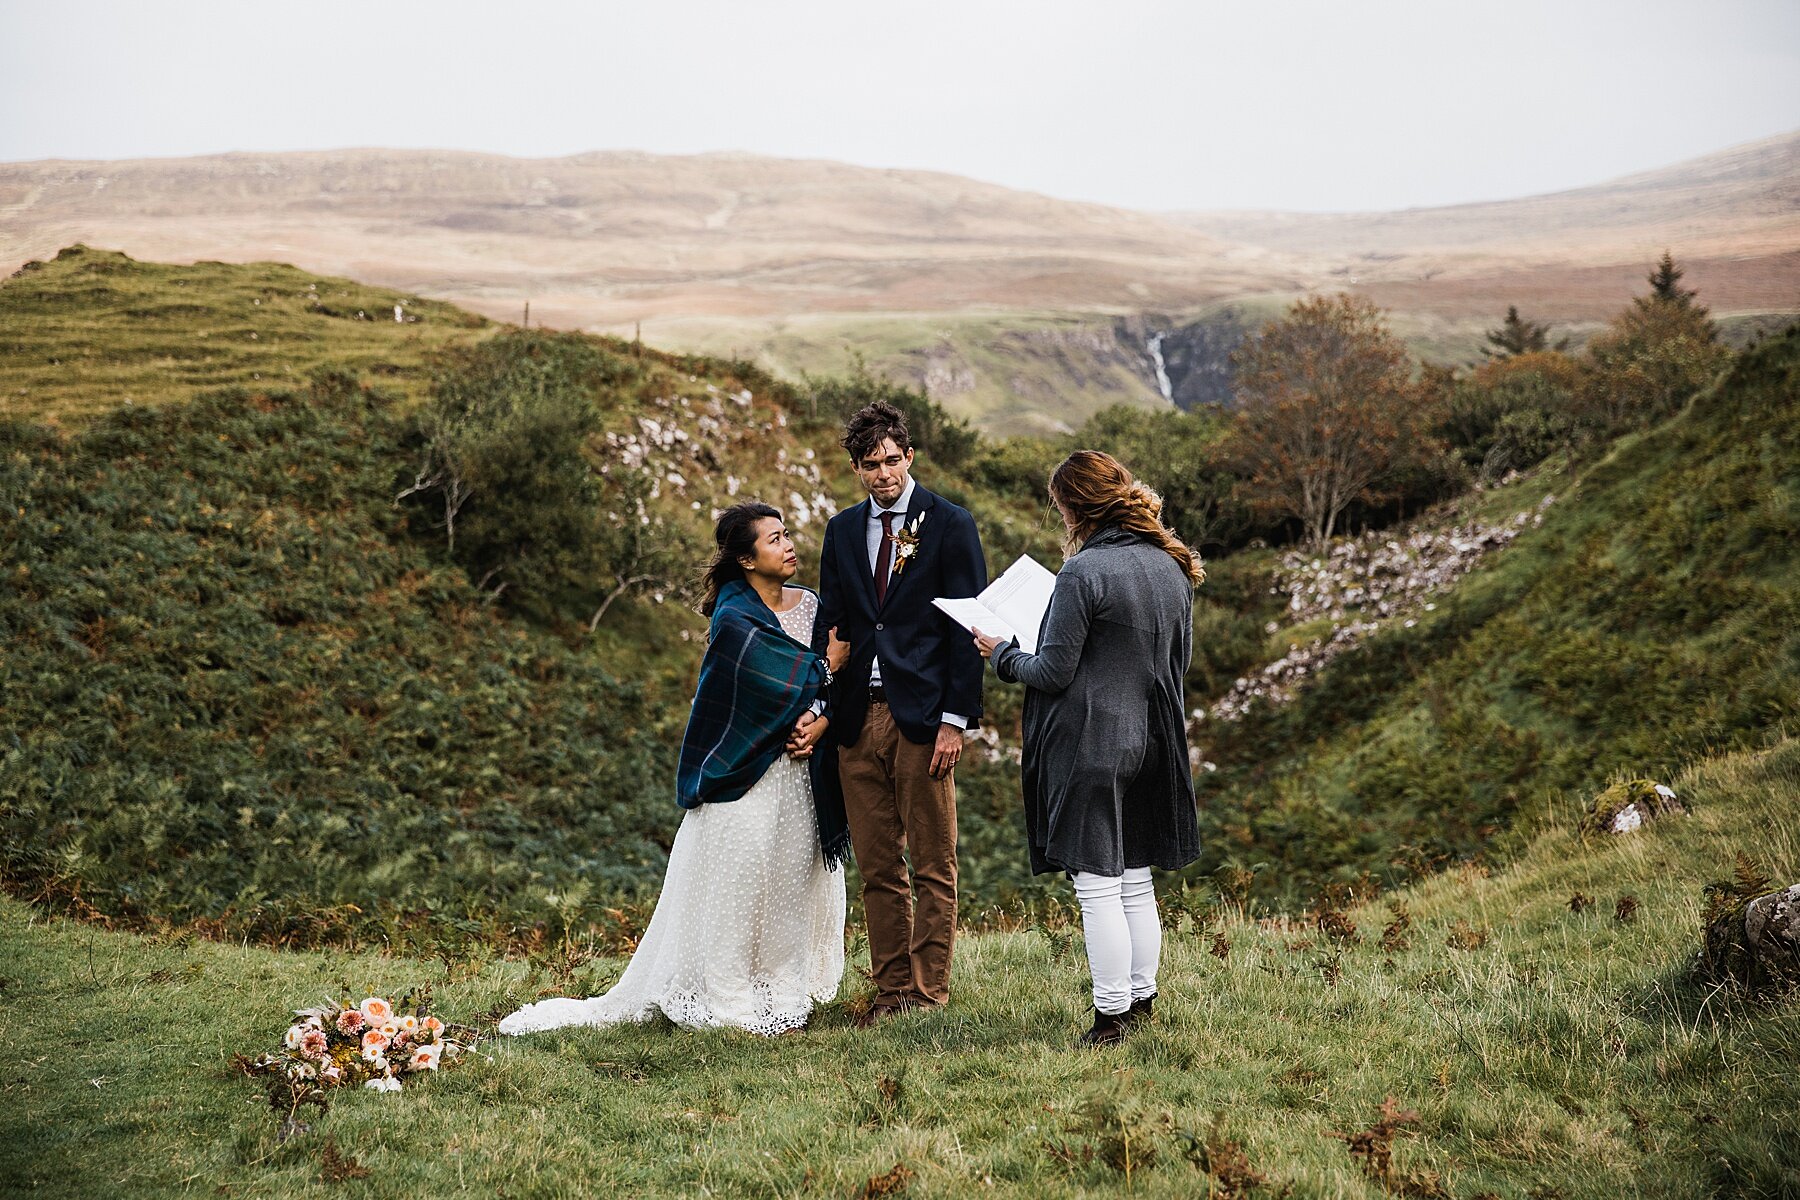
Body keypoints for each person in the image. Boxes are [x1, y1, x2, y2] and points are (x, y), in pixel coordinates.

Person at [498, 503, 851, 1037]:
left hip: (801, 776)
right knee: (742, 885)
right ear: (746, 559)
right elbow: (779, 682)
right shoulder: (735, 619)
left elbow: (830, 687)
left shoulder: (811, 607)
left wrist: (821, 717)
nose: (788, 545)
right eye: (775, 539)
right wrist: (826, 666)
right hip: (745, 775)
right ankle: (729, 1001)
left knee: (788, 886)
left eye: (786, 535)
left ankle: (782, 993)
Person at [973, 451, 1203, 1046]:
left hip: (1093, 743)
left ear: (1076, 506)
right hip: (1154, 738)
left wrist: (1000, 652)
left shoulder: (1083, 573)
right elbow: (1175, 664)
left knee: (1097, 886)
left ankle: (1109, 1020)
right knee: (1135, 881)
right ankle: (1141, 999)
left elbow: (1051, 671)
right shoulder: (1171, 566)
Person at [806, 400, 987, 1023]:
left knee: (934, 862)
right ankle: (891, 993)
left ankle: (929, 992)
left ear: (909, 456)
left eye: (891, 460)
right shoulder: (840, 531)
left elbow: (972, 629)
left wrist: (956, 721)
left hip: (926, 717)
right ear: (855, 468)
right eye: (869, 464)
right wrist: (823, 705)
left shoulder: (951, 523)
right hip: (858, 719)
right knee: (878, 864)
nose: (882, 473)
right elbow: (833, 623)